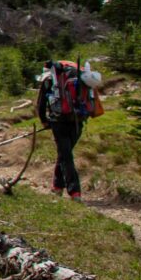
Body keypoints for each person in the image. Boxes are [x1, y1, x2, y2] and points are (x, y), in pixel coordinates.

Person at [37, 60, 99, 201]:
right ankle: (57, 186)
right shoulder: (82, 77)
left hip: (59, 121)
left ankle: (74, 191)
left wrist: (44, 120)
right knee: (65, 154)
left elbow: (41, 103)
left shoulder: (50, 79)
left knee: (66, 155)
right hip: (79, 120)